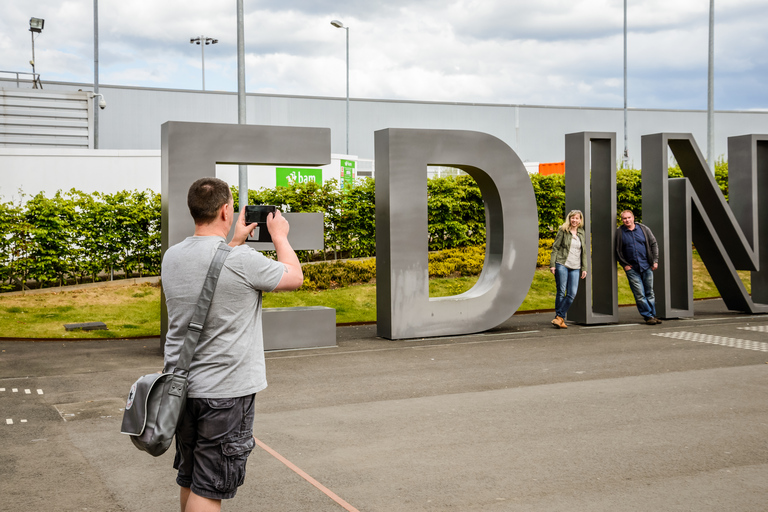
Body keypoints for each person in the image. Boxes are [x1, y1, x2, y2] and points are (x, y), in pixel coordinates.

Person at [162, 177, 303, 512]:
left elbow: (216, 271)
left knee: (191, 476)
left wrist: (235, 241)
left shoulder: (172, 256)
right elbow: (294, 277)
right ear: (226, 210)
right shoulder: (241, 261)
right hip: (225, 393)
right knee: (210, 488)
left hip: (181, 389)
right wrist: (280, 237)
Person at [614, 209, 662, 325]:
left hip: (646, 266)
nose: (627, 220)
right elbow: (617, 250)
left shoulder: (644, 229)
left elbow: (653, 244)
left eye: (629, 217)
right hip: (632, 268)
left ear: (633, 217)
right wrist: (625, 265)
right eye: (624, 218)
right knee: (639, 294)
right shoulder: (619, 232)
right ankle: (647, 316)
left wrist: (655, 261)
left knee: (649, 292)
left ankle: (652, 315)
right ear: (622, 220)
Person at [549, 210, 588, 329]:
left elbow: (584, 252)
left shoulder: (581, 232)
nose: (574, 220)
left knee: (572, 293)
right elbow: (555, 247)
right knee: (561, 291)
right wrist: (552, 264)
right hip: (562, 263)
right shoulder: (563, 230)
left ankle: (559, 318)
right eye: (572, 218)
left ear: (580, 220)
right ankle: (559, 317)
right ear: (569, 219)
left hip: (576, 267)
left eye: (577, 218)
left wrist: (584, 268)